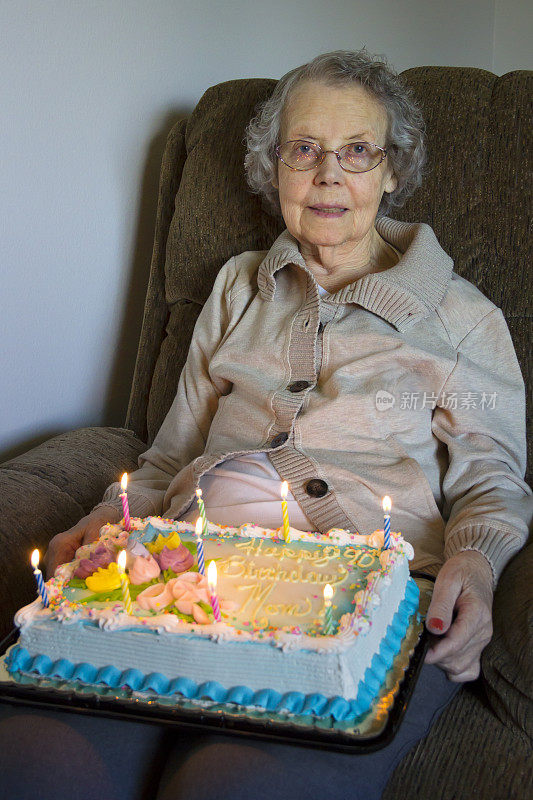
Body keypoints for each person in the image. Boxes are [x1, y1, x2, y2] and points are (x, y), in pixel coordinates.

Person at [2, 50, 531, 800]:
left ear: (390, 171)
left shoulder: (463, 317)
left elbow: (490, 477)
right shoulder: (235, 288)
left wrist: (474, 563)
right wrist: (101, 522)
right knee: (35, 758)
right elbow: (170, 454)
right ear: (272, 167)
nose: (327, 175)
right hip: (181, 575)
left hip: (371, 594)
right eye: (303, 149)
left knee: (233, 784)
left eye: (356, 151)